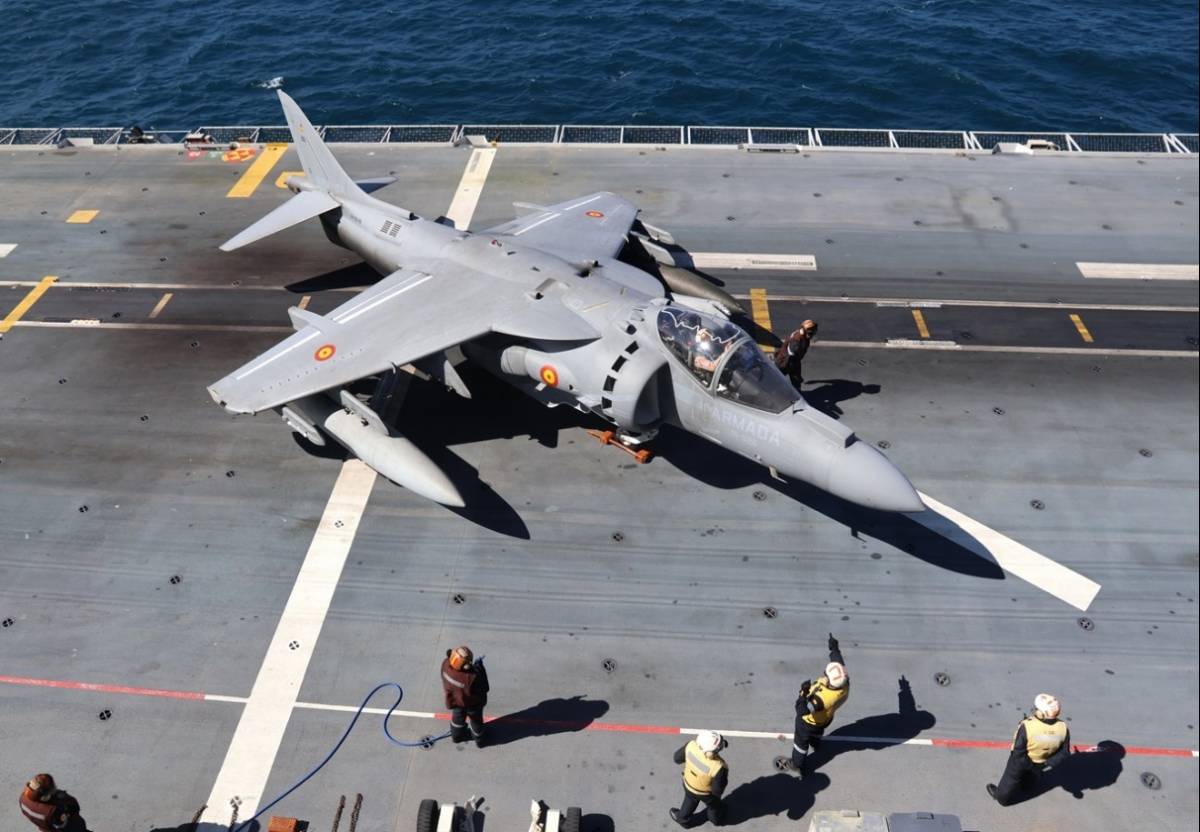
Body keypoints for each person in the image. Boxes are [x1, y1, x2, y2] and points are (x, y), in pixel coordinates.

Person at [988, 693, 1072, 806]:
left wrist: (1030, 766)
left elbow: (1018, 751)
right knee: (1032, 776)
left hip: (1021, 762)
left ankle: (1002, 798)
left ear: (1042, 712)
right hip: (1042, 762)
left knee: (1010, 779)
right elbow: (1064, 752)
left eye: (1037, 708)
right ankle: (1027, 786)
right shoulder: (1063, 728)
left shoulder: (1027, 726)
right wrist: (1046, 763)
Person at [786, 633, 848, 778]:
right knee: (819, 731)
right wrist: (834, 648)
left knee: (800, 745)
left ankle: (797, 765)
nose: (824, 675)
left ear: (830, 682)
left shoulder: (819, 701)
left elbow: (801, 710)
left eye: (826, 674)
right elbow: (838, 662)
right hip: (825, 718)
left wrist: (802, 693)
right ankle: (816, 743)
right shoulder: (844, 683)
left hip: (808, 723)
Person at [671, 730, 728, 827]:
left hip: (688, 784)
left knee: (690, 800)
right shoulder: (718, 767)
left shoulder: (690, 746)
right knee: (714, 806)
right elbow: (717, 790)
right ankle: (716, 820)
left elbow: (677, 758)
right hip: (705, 794)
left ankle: (682, 818)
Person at [441, 645, 489, 747]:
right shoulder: (471, 677)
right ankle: (479, 740)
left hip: (455, 702)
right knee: (476, 722)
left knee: (457, 720)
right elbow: (485, 688)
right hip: (472, 705)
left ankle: (456, 737)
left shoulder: (445, 665)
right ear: (466, 666)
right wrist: (480, 668)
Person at [19, 774, 85, 831]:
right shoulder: (53, 810)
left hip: (44, 826)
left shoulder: (22, 799)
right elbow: (64, 825)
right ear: (44, 797)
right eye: (52, 789)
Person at [774, 319, 818, 387]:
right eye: (810, 333)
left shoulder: (802, 336)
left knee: (794, 381)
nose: (811, 335)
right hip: (785, 361)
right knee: (777, 380)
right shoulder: (797, 340)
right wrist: (796, 371)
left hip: (791, 360)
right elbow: (792, 355)